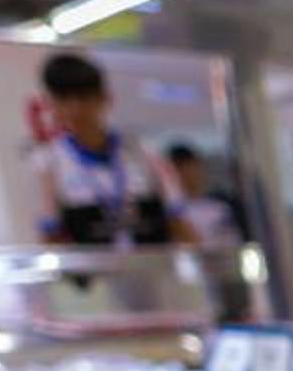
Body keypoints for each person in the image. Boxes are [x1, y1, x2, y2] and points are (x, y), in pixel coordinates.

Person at [31, 52, 185, 246]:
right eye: (63, 98)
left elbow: (179, 224)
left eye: (83, 97)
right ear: (51, 104)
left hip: (153, 260)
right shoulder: (49, 163)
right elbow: (51, 239)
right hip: (93, 264)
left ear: (104, 98)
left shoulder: (144, 151)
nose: (74, 108)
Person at [166, 142, 243, 246]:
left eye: (189, 166)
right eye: (178, 168)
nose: (185, 174)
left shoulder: (222, 207)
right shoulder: (170, 211)